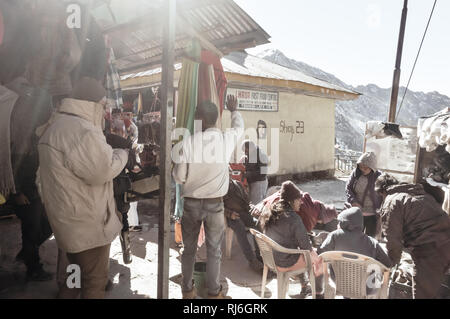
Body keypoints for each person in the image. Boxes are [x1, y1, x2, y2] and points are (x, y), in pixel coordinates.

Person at [37, 77, 129, 299]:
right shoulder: (83, 131)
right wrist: (122, 154)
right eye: (104, 105)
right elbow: (102, 170)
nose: (106, 111)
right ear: (94, 104)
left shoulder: (54, 126)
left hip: (66, 226)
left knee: (73, 279)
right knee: (94, 285)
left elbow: (40, 180)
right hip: (88, 229)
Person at [172, 96, 244, 299]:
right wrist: (234, 110)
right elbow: (239, 127)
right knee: (214, 251)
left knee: (189, 250)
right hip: (215, 205)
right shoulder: (225, 139)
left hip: (191, 205)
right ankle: (213, 293)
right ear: (214, 119)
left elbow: (178, 177)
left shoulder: (188, 142)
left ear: (200, 119)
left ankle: (187, 291)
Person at [375, 173, 450, 299]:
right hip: (445, 243)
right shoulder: (418, 194)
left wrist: (391, 263)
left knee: (422, 293)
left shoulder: (392, 200)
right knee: (435, 288)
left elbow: (393, 239)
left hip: (429, 250)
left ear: (382, 191)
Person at [258, 181, 323, 298]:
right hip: (285, 261)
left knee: (297, 249)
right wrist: (316, 257)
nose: (301, 202)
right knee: (315, 257)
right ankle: (317, 293)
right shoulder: (294, 218)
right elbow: (306, 247)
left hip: (270, 258)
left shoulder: (271, 210)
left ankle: (304, 286)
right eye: (298, 200)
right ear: (291, 201)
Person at [318, 207, 392, 296]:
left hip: (339, 284)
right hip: (366, 288)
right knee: (376, 269)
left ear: (344, 222)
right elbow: (387, 264)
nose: (338, 224)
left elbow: (321, 253)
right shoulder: (372, 242)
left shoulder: (335, 235)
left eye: (340, 222)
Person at [223, 178, 263, 273]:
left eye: (229, 171)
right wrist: (230, 214)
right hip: (230, 216)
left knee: (257, 223)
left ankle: (259, 255)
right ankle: (252, 260)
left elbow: (247, 201)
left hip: (243, 213)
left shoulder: (237, 184)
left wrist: (252, 207)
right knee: (240, 227)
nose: (228, 173)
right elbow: (218, 206)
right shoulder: (219, 187)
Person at [346, 152, 382, 237]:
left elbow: (383, 194)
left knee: (370, 239)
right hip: (357, 211)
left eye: (366, 168)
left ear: (372, 167)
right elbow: (348, 188)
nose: (363, 169)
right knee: (355, 237)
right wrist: (353, 200)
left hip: (373, 214)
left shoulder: (379, 177)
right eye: (361, 166)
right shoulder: (356, 174)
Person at [241, 140, 268, 205]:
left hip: (259, 183)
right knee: (252, 203)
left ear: (251, 148)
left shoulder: (261, 155)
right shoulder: (251, 154)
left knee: (256, 204)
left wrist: (249, 174)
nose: (245, 153)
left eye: (246, 151)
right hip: (252, 182)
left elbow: (263, 173)